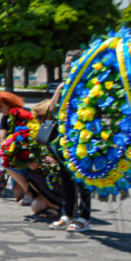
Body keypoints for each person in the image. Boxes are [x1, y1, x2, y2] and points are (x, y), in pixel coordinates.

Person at [47, 50, 93, 232]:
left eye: (71, 63)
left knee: (82, 180)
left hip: (83, 138)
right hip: (64, 138)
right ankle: (67, 214)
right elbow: (51, 110)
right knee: (65, 178)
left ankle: (84, 217)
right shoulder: (65, 86)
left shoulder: (89, 85)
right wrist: (59, 91)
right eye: (66, 63)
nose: (67, 67)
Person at [0, 91, 32, 203]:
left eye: (1, 107)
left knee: (9, 165)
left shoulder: (24, 114)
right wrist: (5, 144)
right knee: (18, 195)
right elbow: (2, 137)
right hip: (14, 152)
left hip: (25, 151)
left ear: (9, 103)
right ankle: (26, 190)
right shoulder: (5, 118)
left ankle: (29, 192)